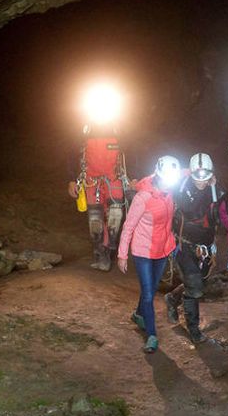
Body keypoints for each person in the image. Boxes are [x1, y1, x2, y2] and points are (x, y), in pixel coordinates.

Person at [163, 153, 228, 344]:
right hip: (183, 245)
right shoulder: (179, 188)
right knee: (195, 286)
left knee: (200, 283)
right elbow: (162, 197)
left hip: (205, 248)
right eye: (197, 174)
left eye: (205, 175)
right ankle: (193, 329)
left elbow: (226, 219)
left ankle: (172, 299)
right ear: (190, 173)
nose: (201, 180)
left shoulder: (218, 194)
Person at [118, 155, 181, 354]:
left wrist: (204, 174)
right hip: (143, 252)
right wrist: (122, 255)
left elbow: (187, 173)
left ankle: (138, 314)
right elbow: (128, 226)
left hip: (161, 250)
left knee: (151, 289)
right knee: (148, 293)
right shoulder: (143, 197)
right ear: (158, 175)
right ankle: (152, 335)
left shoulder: (169, 192)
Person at [68, 123, 132, 271]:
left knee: (115, 216)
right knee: (95, 220)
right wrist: (72, 179)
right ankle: (101, 253)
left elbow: (131, 152)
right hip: (92, 181)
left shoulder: (119, 127)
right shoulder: (84, 128)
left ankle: (109, 251)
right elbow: (71, 154)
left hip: (113, 178)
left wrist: (133, 178)